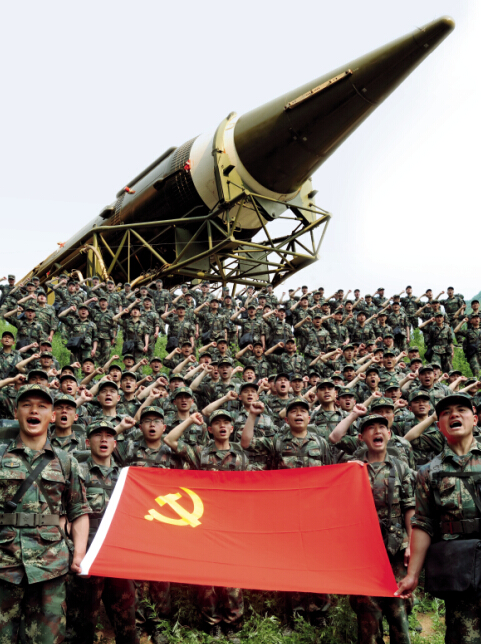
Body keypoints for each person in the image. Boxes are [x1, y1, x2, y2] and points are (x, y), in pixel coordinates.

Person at [0, 384, 90, 643]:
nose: (34, 411)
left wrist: (79, 554)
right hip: (4, 563)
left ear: (52, 416)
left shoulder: (66, 461)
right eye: (26, 405)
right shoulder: (1, 456)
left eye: (41, 406)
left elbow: (78, 510)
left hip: (51, 566)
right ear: (16, 412)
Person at [396, 393, 481, 644]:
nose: (454, 414)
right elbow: (423, 524)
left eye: (461, 410)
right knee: (464, 637)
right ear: (439, 426)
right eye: (446, 412)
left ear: (475, 419)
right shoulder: (429, 472)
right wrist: (412, 575)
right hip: (459, 568)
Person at [164, 409, 246, 638]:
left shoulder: (241, 457)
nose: (222, 426)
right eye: (217, 423)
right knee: (207, 577)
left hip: (231, 523)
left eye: (226, 422)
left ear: (232, 428)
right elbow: (170, 440)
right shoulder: (200, 453)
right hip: (204, 521)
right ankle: (212, 624)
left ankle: (233, 624)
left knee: (232, 576)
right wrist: (190, 420)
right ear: (209, 429)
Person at [67, 419, 138, 644]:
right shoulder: (77, 473)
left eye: (109, 436)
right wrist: (73, 550)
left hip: (119, 556)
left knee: (126, 620)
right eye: (98, 435)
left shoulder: (127, 477)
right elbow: (67, 511)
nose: (104, 439)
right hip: (88, 555)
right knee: (82, 622)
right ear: (88, 442)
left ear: (115, 444)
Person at [347, 411, 414, 644]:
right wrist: (347, 474)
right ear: (361, 437)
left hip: (396, 549)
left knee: (399, 608)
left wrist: (411, 544)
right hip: (363, 550)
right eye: (370, 428)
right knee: (367, 609)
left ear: (389, 433)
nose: (377, 431)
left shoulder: (401, 468)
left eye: (381, 427)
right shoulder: (352, 469)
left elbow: (409, 508)